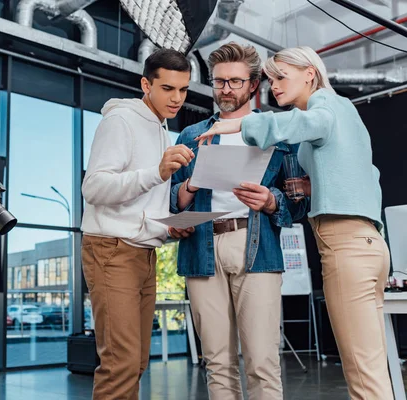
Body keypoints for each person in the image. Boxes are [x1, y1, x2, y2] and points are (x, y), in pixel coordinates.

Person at [196, 46, 391, 400]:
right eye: (271, 80)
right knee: (370, 365)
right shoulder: (343, 114)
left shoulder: (326, 106)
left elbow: (306, 123)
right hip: (365, 243)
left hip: (346, 245)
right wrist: (313, 184)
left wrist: (242, 122)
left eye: (281, 78)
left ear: (310, 75)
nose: (274, 87)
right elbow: (367, 173)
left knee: (363, 372)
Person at [169, 42, 307, 400]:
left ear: (253, 83)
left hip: (256, 247)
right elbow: (172, 202)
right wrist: (190, 184)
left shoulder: (279, 132)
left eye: (234, 82)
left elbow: (298, 207)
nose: (225, 90)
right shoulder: (190, 135)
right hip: (201, 248)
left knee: (261, 362)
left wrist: (270, 200)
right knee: (216, 361)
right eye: (218, 82)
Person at [81, 48, 195, 399]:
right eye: (167, 88)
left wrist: (170, 226)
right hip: (112, 251)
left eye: (184, 89)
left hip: (143, 254)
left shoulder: (161, 128)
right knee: (121, 363)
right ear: (146, 84)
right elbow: (94, 187)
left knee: (136, 362)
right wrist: (157, 172)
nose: (177, 98)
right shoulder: (121, 121)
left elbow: (142, 205)